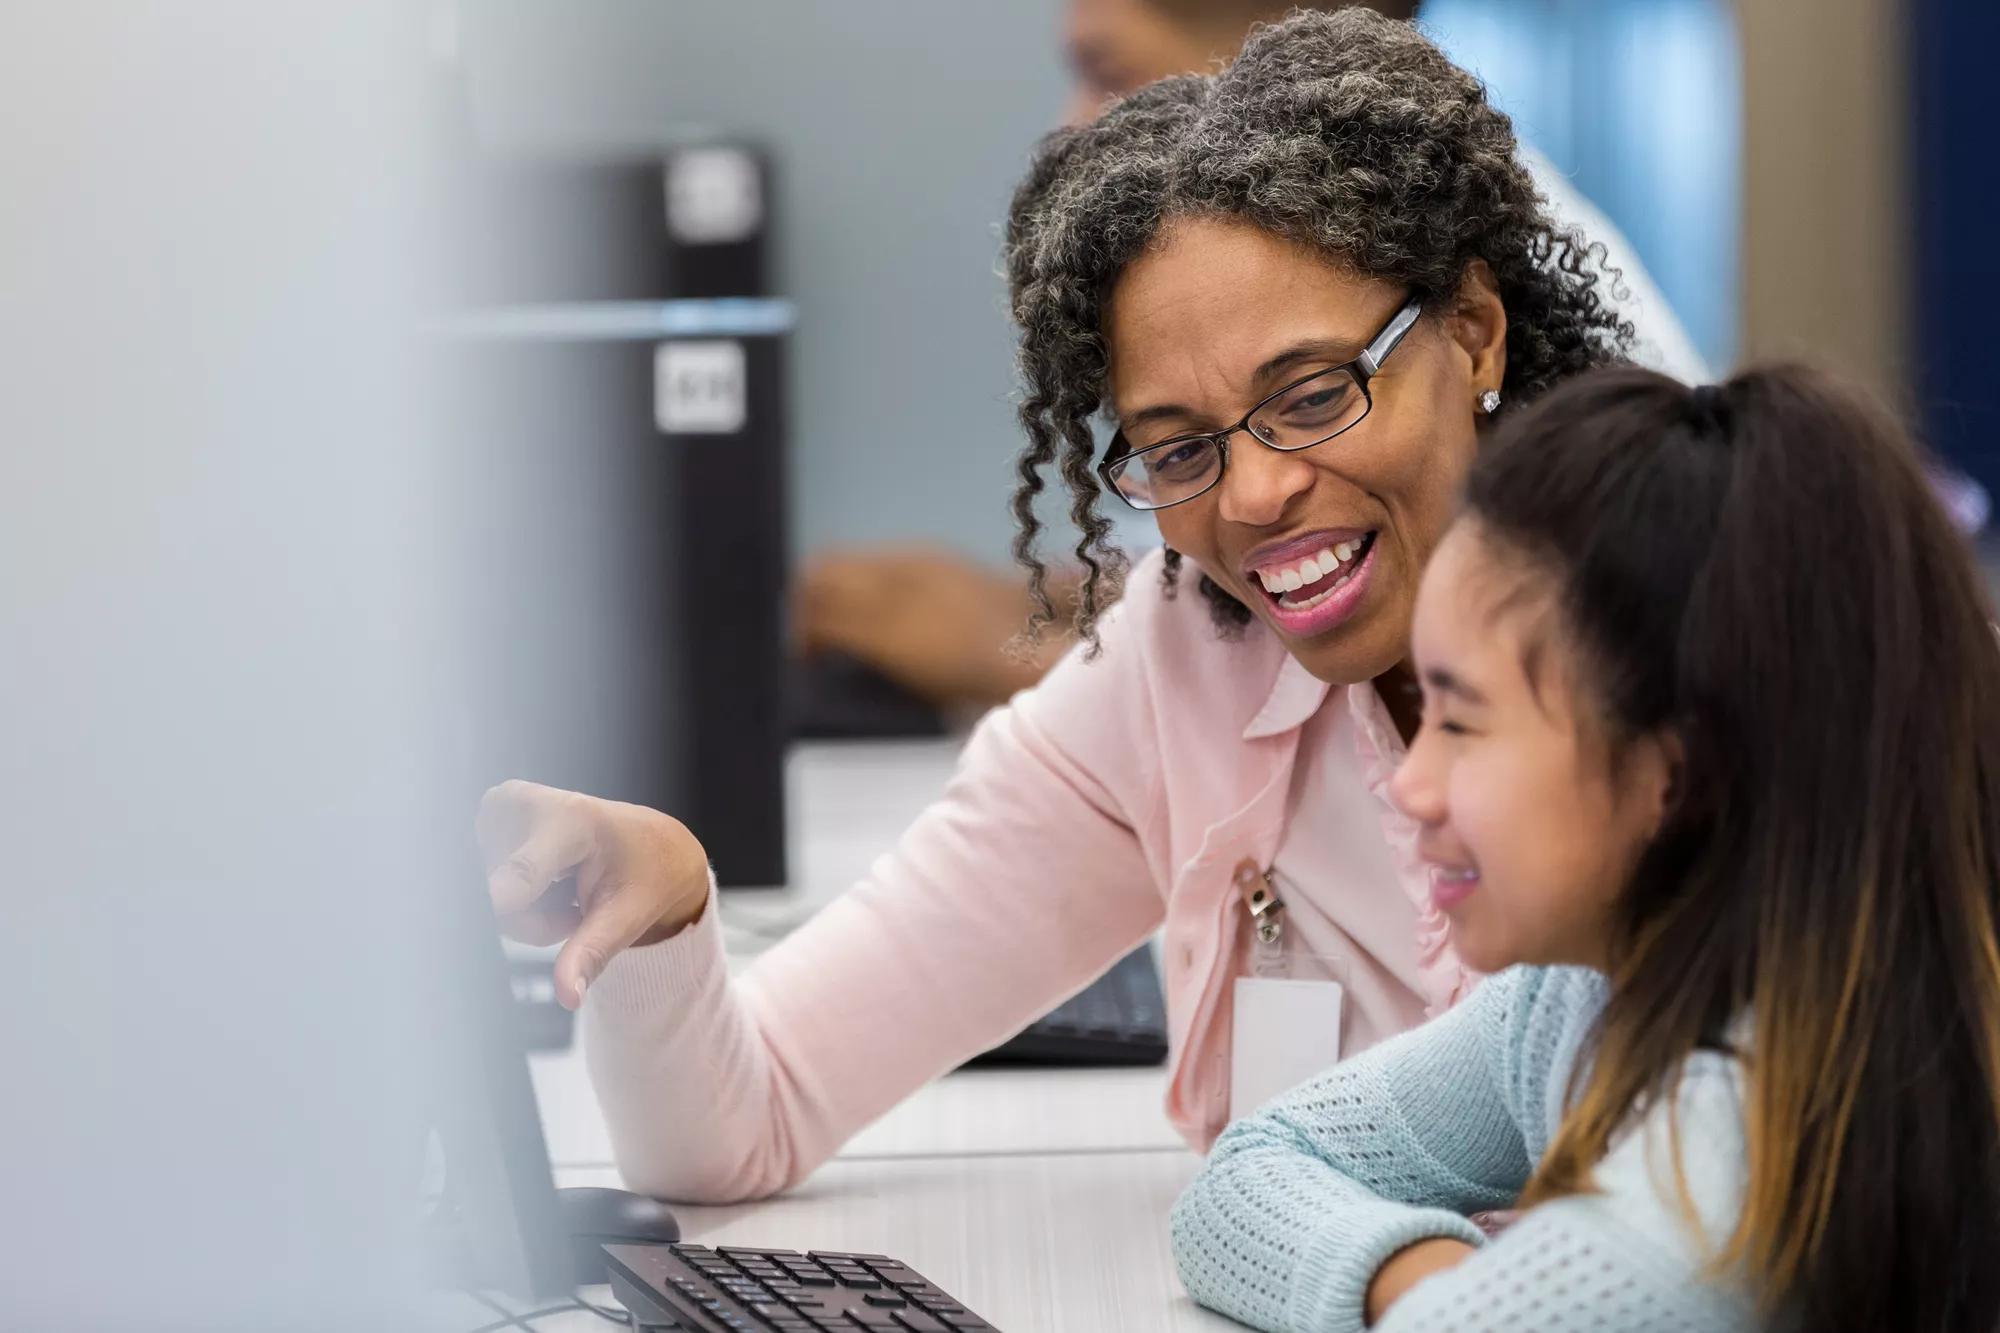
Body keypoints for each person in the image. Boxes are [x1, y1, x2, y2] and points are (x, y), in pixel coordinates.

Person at [479, 10, 1643, 1204]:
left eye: (1309, 395)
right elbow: (735, 1124)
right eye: (1175, 448)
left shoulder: (1674, 647)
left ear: (1473, 334)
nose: (1251, 493)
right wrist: (664, 902)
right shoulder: (1183, 656)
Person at [1169, 364, 2000, 1332]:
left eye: (1465, 725)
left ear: (1673, 776)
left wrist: (1464, 1301)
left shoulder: (1715, 1195)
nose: (1409, 782)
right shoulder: (1582, 989)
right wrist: (1428, 1275)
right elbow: (1242, 1176)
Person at [796, 0, 1709, 712]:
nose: (1068, 125)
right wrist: (1014, 615)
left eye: (1101, 69)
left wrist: (1001, 647)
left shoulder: (1481, 278)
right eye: (1179, 447)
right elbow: (1212, 582)